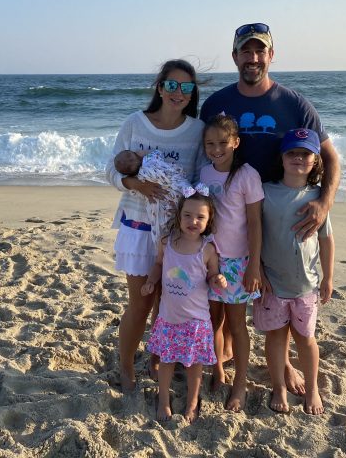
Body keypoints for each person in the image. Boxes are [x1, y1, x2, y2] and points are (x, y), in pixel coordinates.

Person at [200, 22, 341, 395]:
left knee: (280, 291)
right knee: (230, 293)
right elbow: (202, 153)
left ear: (271, 55)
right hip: (231, 215)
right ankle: (227, 349)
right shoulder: (216, 104)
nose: (253, 57)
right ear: (235, 57)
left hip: (278, 212)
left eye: (260, 50)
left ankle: (285, 362)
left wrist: (324, 203)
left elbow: (330, 157)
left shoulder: (294, 104)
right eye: (246, 51)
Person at [106, 59, 206, 392]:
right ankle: (124, 365)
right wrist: (136, 185)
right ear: (160, 87)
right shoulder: (135, 124)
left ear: (192, 93)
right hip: (137, 228)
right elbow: (110, 170)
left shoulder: (196, 129)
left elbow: (197, 180)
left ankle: (157, 355)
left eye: (187, 87)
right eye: (173, 85)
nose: (179, 93)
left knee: (167, 300)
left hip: (176, 233)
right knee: (142, 302)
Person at [254, 128, 334, 414]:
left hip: (306, 286)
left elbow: (326, 239)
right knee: (275, 337)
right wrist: (258, 270)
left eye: (305, 154)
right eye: (292, 152)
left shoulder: (317, 199)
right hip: (272, 283)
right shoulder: (266, 191)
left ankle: (312, 388)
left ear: (315, 160)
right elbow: (255, 233)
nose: (298, 158)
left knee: (305, 338)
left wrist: (329, 277)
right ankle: (278, 387)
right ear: (282, 157)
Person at [141, 192, 227, 422]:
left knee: (194, 365)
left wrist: (218, 280)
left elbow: (212, 277)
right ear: (178, 216)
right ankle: (164, 400)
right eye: (187, 215)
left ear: (209, 221)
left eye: (200, 217)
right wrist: (151, 281)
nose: (193, 221)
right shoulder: (167, 242)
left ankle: (192, 402)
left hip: (196, 320)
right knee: (167, 361)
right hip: (169, 317)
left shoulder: (207, 249)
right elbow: (159, 264)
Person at [199, 114, 264, 412]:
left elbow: (254, 223)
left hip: (238, 262)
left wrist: (254, 265)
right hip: (210, 260)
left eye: (222, 143)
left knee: (237, 324)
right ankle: (217, 370)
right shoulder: (203, 174)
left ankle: (239, 382)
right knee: (213, 320)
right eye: (210, 144)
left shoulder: (247, 175)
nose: (216, 149)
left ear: (236, 142)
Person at [113, 148, 193, 242]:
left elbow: (137, 193)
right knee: (183, 191)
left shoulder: (138, 179)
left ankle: (165, 237)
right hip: (176, 185)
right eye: (133, 153)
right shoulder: (149, 160)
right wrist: (145, 153)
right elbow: (158, 153)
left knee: (162, 214)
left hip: (163, 200)